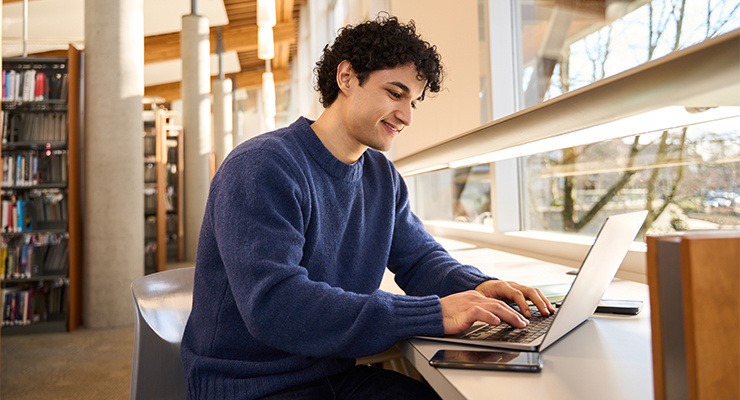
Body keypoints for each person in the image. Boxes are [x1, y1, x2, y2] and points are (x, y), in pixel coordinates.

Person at [181, 14, 555, 400]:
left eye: (413, 101)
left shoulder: (381, 176)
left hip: (331, 376)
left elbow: (420, 260)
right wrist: (433, 313)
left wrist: (480, 288)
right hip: (250, 387)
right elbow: (275, 306)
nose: (407, 116)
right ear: (346, 78)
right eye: (395, 93)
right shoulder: (261, 167)